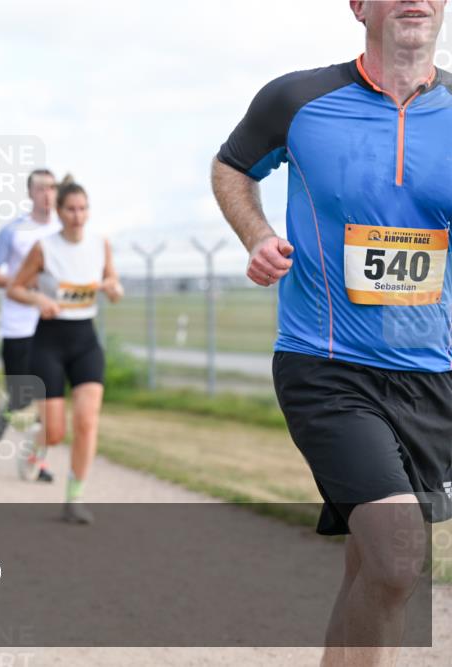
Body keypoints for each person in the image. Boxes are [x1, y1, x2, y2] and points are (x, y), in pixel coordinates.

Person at [211, 1, 450, 662]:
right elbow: (231, 165)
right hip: (327, 365)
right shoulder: (300, 99)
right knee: (399, 554)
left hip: (433, 373)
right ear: (359, 5)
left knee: (372, 568)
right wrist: (257, 234)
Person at [7, 175, 123, 524]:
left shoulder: (100, 244)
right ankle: (34, 444)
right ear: (59, 212)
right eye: (71, 209)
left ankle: (74, 498)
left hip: (85, 340)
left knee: (87, 422)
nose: (78, 215)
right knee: (55, 433)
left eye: (83, 208)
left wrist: (112, 287)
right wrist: (39, 298)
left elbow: (114, 287)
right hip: (49, 342)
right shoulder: (44, 247)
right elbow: (15, 288)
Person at [0, 169, 61, 482]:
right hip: (17, 323)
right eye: (41, 189)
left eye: (52, 188)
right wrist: (21, 285)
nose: (47, 194)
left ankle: (37, 460)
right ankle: (9, 405)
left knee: (50, 397)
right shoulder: (14, 231)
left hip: (52, 324)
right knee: (23, 393)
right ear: (30, 193)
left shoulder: (63, 230)